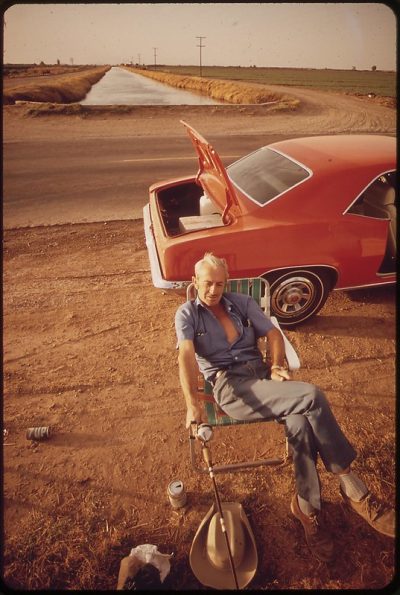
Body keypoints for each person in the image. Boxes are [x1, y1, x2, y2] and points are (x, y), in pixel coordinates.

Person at [175, 252, 394, 562]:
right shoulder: (187, 314)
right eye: (208, 284)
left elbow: (273, 333)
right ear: (195, 281)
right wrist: (192, 403)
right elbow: (185, 357)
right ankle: (350, 483)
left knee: (300, 424)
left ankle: (306, 509)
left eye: (220, 284)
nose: (214, 290)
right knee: (312, 396)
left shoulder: (241, 302)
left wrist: (276, 364)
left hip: (262, 377)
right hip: (232, 388)